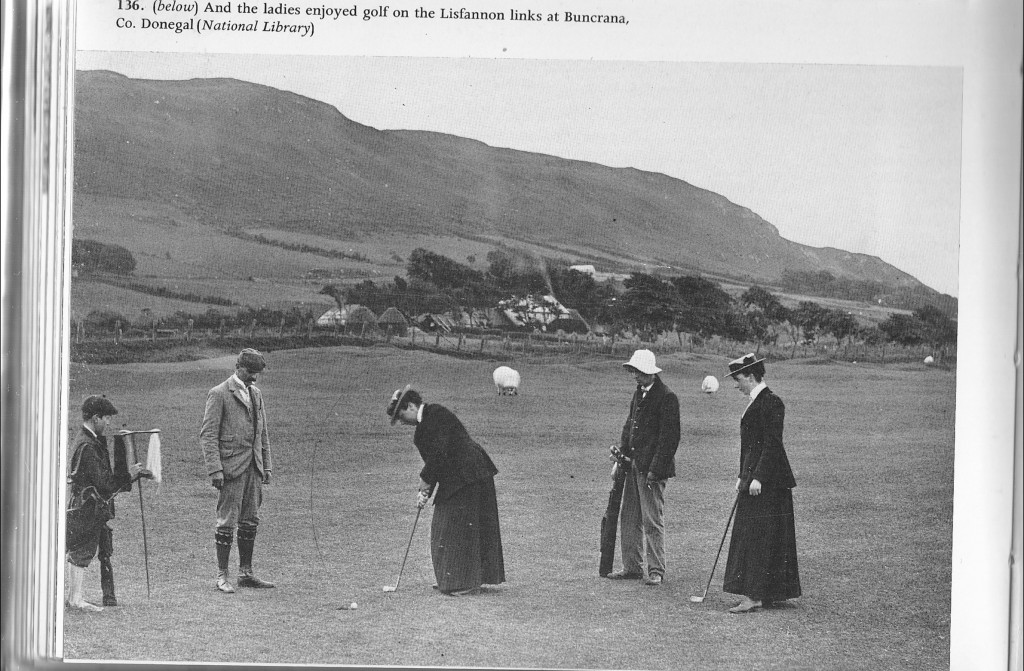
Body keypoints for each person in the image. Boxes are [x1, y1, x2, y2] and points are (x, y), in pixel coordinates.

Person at [387, 385, 505, 596]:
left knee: (459, 526)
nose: (401, 421)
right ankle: (453, 579)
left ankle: (463, 582)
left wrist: (425, 481)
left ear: (412, 406)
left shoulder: (437, 413)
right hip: (456, 477)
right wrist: (425, 491)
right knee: (444, 526)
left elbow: (440, 452)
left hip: (471, 472)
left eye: (401, 414)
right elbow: (436, 463)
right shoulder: (419, 433)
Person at [722, 353, 801, 613]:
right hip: (754, 478)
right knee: (757, 534)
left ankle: (756, 595)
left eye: (739, 378)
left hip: (769, 483)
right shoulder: (754, 402)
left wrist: (757, 477)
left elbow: (772, 444)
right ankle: (761, 592)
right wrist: (742, 475)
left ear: (752, 376)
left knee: (760, 536)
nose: (737, 384)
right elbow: (750, 447)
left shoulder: (771, 403)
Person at [66, 395, 151, 611]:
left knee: (84, 548)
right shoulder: (88, 445)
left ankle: (74, 597)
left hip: (88, 503)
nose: (109, 423)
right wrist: (130, 476)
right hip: (88, 505)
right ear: (96, 418)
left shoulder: (89, 440)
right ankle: (75, 599)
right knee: (82, 550)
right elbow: (105, 484)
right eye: (106, 419)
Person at [200, 348, 275, 593]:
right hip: (230, 469)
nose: (254, 377)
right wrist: (215, 470)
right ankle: (222, 575)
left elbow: (261, 433)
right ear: (238, 367)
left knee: (250, 519)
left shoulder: (256, 394)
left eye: (257, 373)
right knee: (226, 521)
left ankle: (246, 573)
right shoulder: (219, 393)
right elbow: (208, 435)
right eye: (250, 372)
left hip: (253, 467)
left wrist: (266, 465)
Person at [605, 349, 680, 586]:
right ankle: (632, 567)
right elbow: (629, 429)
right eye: (633, 371)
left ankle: (656, 570)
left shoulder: (667, 397)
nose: (635, 376)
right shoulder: (639, 393)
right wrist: (621, 459)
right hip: (633, 465)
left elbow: (669, 439)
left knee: (651, 520)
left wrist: (655, 471)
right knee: (629, 517)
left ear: (650, 372)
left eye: (638, 372)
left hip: (651, 470)